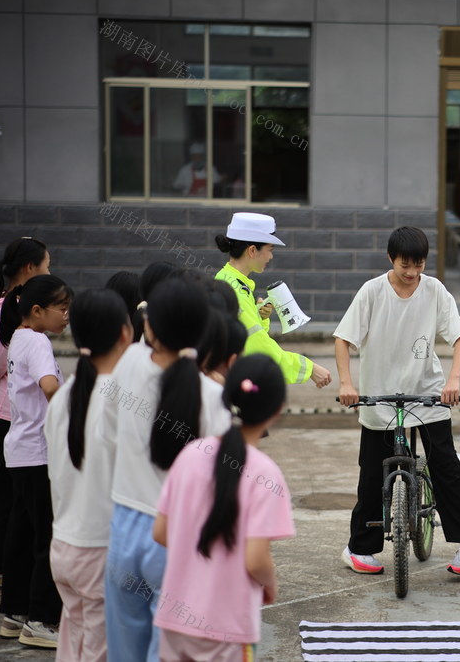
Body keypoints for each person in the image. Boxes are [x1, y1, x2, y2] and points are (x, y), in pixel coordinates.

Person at [336, 226, 460, 575]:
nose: (412, 273)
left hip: (427, 394)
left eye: (419, 265)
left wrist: (453, 379)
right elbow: (344, 339)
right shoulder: (372, 292)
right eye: (405, 265)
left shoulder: (434, 290)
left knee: (446, 465)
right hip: (379, 397)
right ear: (391, 258)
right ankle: (360, 548)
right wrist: (346, 383)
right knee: (372, 473)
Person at [103, 278, 231, 662]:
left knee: (124, 646)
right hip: (178, 534)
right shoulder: (211, 395)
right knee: (170, 651)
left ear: (149, 326)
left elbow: (107, 435)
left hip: (124, 526)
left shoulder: (126, 364)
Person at [154, 355, 295, 660]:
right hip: (225, 626)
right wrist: (271, 584)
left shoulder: (191, 453)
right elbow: (256, 560)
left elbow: (161, 532)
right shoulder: (265, 474)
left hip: (173, 620)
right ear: (277, 409)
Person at [45, 289, 133, 661]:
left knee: (73, 641)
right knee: (100, 650)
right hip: (99, 551)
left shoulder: (64, 396)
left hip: (63, 546)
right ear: (125, 333)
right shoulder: (121, 399)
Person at [0, 237, 51, 609]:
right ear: (30, 268)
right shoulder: (11, 308)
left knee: (12, 500)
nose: (50, 271)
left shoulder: (15, 305)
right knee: (5, 499)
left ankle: (4, 579)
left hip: (5, 413)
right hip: (4, 416)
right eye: (46, 265)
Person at [0, 274, 72, 648]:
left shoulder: (19, 339)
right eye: (62, 309)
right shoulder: (39, 341)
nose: (66, 316)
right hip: (40, 453)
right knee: (49, 537)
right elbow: (49, 387)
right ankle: (42, 619)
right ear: (38, 311)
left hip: (20, 451)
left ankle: (13, 613)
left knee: (23, 534)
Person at [214, 212, 331, 388]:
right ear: (252, 250)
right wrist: (308, 367)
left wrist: (259, 317)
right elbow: (258, 346)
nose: (271, 257)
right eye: (270, 250)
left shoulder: (228, 280)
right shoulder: (235, 290)